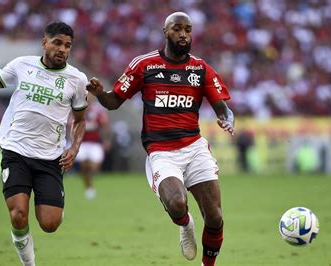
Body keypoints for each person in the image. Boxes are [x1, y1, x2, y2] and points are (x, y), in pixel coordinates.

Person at [86, 12, 234, 266]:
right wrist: (100, 94)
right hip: (162, 151)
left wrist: (226, 118)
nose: (184, 34)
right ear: (165, 32)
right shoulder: (145, 65)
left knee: (215, 217)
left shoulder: (200, 69)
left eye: (188, 29)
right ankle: (185, 224)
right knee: (177, 204)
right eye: (177, 29)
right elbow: (113, 102)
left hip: (194, 148)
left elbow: (223, 108)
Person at [0, 22, 88, 265]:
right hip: (16, 150)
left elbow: (80, 120)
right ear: (44, 42)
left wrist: (74, 148)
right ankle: (29, 263)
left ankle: (53, 205)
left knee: (50, 223)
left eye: (67, 45)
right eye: (57, 43)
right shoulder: (22, 65)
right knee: (18, 214)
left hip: (50, 157)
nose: (62, 49)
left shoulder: (77, 80)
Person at [73, 95, 110, 199]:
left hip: (95, 143)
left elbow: (104, 125)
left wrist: (106, 140)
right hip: (83, 142)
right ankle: (89, 187)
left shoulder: (98, 110)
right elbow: (72, 124)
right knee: (83, 166)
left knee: (95, 166)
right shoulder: (78, 109)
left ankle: (90, 181)